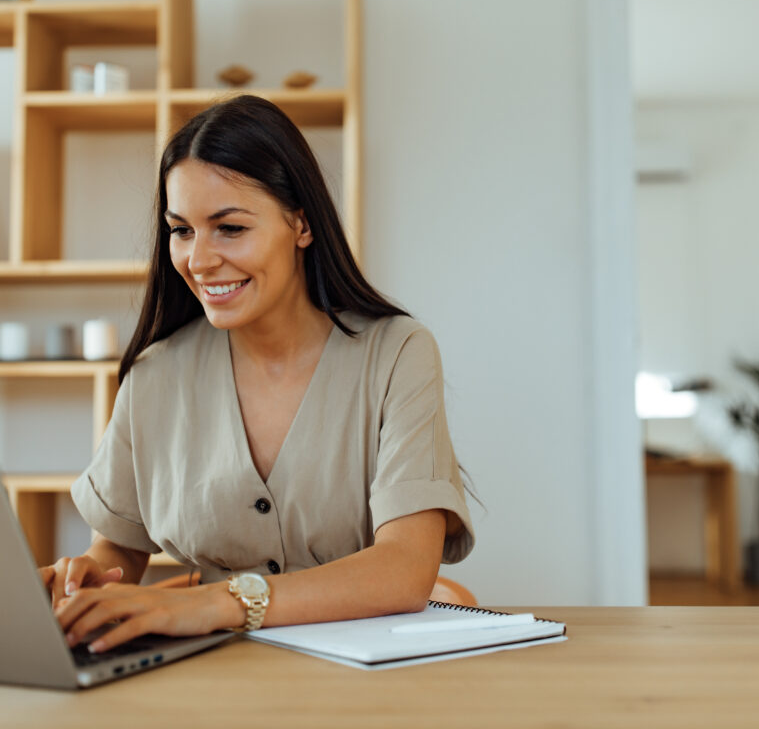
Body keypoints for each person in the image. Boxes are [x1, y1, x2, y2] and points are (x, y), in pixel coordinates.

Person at [39, 95, 475, 653]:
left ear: (302, 223)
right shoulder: (154, 376)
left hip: (366, 676)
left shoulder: (397, 354)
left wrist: (216, 603)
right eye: (182, 231)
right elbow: (117, 551)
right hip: (211, 671)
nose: (198, 260)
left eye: (229, 228)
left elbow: (405, 568)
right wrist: (85, 584)